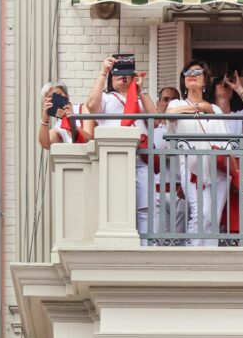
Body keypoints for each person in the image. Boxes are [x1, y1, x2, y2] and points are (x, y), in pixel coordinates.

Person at [85, 55, 158, 245]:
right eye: (117, 74)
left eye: (126, 73)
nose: (122, 77)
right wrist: (104, 72)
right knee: (117, 206)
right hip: (114, 158)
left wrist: (141, 90)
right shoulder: (108, 98)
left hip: (141, 158)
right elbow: (92, 105)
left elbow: (156, 119)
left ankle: (146, 248)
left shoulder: (140, 99)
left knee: (145, 207)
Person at [166, 60, 231, 247]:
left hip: (218, 169)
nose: (191, 74)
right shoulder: (177, 104)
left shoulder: (216, 109)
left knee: (213, 217)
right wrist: (198, 108)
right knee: (200, 213)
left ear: (205, 81)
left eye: (197, 72)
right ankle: (192, 255)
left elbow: (227, 141)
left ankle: (210, 261)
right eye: (187, 72)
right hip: (193, 168)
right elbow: (168, 116)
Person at [150, 86, 186, 244]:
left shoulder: (185, 129)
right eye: (166, 99)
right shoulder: (150, 130)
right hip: (156, 192)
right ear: (158, 104)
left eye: (174, 99)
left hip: (181, 191)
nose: (170, 102)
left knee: (181, 242)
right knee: (160, 243)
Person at [39, 81, 92, 149]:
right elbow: (46, 145)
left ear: (67, 96)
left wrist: (71, 120)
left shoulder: (83, 109)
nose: (55, 99)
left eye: (59, 94)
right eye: (50, 97)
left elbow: (90, 141)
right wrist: (44, 120)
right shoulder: (59, 126)